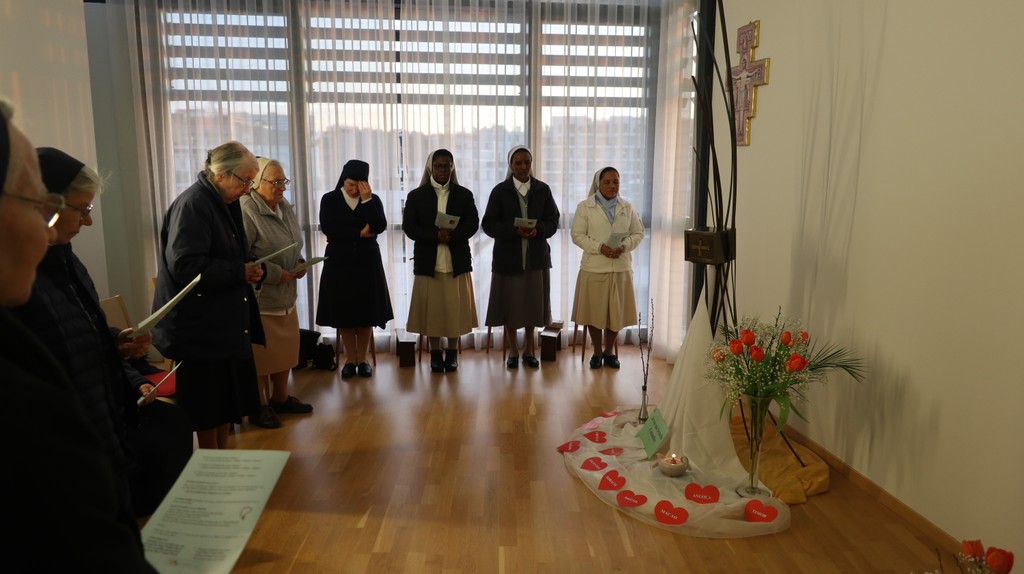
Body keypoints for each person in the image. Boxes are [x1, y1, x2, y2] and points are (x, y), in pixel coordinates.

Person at [0, 100, 157, 572]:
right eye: (39, 206)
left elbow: (75, 338)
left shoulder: (67, 263)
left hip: (103, 439)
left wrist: (115, 347)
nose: (48, 233)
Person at [12, 147, 193, 516]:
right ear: (47, 204)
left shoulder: (68, 259)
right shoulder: (19, 276)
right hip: (67, 442)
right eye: (82, 209)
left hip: (101, 421)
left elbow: (81, 331)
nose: (89, 221)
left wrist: (118, 343)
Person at [152, 141, 265, 449]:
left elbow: (229, 253)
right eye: (245, 180)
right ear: (220, 174)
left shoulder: (223, 201)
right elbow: (185, 265)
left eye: (251, 181)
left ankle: (221, 458)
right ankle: (210, 461)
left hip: (220, 321)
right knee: (208, 406)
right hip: (198, 327)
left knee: (225, 403)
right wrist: (238, 272)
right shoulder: (194, 205)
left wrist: (250, 267)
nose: (248, 188)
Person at [241, 156, 313, 428]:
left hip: (286, 294)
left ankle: (280, 398)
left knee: (285, 352)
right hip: (261, 297)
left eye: (284, 181)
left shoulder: (284, 206)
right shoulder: (247, 209)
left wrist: (299, 262)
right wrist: (276, 273)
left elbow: (294, 242)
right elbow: (244, 257)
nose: (282, 187)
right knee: (262, 357)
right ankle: (259, 406)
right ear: (256, 183)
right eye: (276, 182)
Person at [482, 145, 560, 369]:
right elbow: (488, 224)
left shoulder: (543, 190)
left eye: (527, 162)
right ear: (511, 165)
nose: (523, 166)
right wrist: (513, 230)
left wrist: (539, 230)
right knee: (510, 306)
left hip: (535, 259)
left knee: (533, 306)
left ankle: (529, 350)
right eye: (518, 163)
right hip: (509, 259)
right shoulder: (500, 191)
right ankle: (513, 351)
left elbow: (553, 220)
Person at [402, 149, 480, 372]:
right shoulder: (416, 196)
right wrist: (435, 235)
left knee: (454, 312)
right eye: (438, 166)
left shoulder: (464, 195)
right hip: (429, 262)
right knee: (433, 313)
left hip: (456, 261)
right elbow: (410, 227)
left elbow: (472, 224)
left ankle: (452, 353)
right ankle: (435, 353)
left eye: (447, 166)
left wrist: (452, 235)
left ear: (452, 167)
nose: (443, 170)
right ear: (430, 168)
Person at [316, 159, 393, 378]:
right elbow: (329, 228)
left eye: (359, 186)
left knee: (367, 312)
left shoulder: (373, 199)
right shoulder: (330, 199)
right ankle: (350, 359)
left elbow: (379, 226)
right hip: (338, 263)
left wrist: (367, 201)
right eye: (350, 185)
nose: (353, 190)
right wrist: (358, 233)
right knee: (344, 311)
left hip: (368, 262)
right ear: (343, 180)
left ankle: (363, 358)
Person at [570, 166, 645, 369]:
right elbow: (577, 235)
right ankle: (596, 352)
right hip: (594, 268)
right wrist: (600, 248)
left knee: (616, 314)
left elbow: (638, 233)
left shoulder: (627, 206)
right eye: (607, 182)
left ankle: (609, 351)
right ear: (598, 184)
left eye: (616, 182)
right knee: (594, 313)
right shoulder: (585, 207)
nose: (612, 186)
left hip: (620, 268)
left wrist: (624, 246)